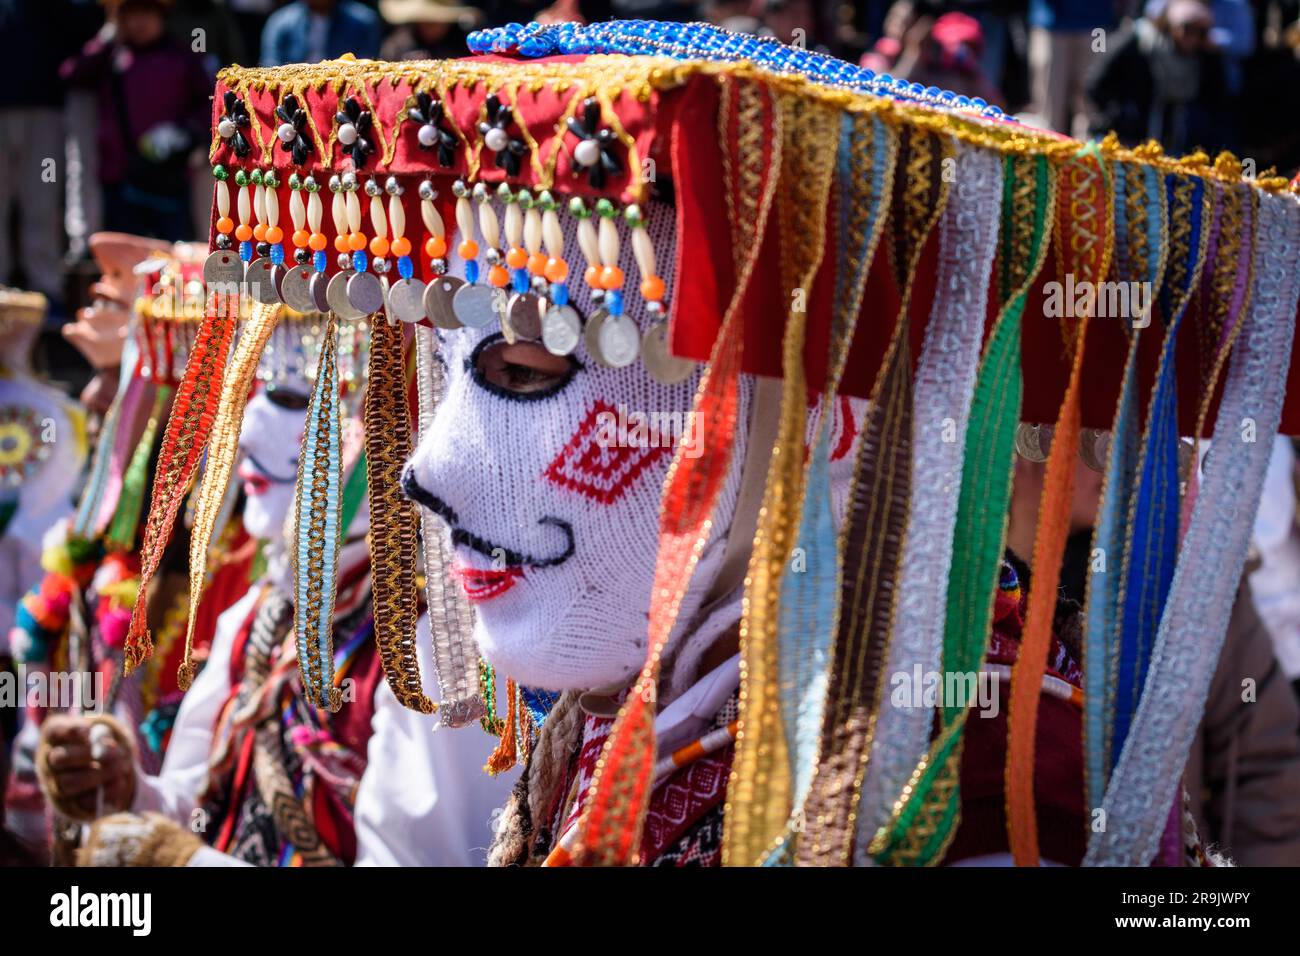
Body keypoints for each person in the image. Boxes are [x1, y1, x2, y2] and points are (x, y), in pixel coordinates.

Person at [36, 314, 513, 866]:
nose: (245, 424)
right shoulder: (259, 614)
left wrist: (180, 861)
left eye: (291, 395)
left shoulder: (436, 647)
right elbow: (198, 813)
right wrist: (128, 795)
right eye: (254, 387)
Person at [60, 0, 213, 242]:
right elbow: (72, 74)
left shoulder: (182, 56)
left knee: (172, 255)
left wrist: (187, 133)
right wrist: (106, 38)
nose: (139, 23)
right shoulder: (109, 57)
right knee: (124, 254)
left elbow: (207, 101)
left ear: (161, 16)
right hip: (119, 179)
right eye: (131, 15)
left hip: (170, 178)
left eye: (146, 14)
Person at [1086, 0, 1238, 154]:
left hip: (1174, 145)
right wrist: (1122, 115)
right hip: (1125, 141)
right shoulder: (1138, 42)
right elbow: (1095, 84)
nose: (1192, 37)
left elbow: (1216, 103)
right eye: (1187, 29)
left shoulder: (1204, 58)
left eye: (1200, 32)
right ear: (1170, 26)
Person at [1028, 0, 1119, 136]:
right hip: (1051, 23)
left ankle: (1088, 155)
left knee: (1092, 106)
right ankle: (1049, 155)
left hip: (1097, 26)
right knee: (1050, 112)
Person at [259, 0, 383, 65]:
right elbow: (270, 66)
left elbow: (367, 66)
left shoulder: (363, 21)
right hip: (293, 100)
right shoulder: (280, 22)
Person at [379, 0, 484, 61]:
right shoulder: (398, 44)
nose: (433, 28)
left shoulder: (460, 43)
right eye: (428, 22)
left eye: (439, 21)